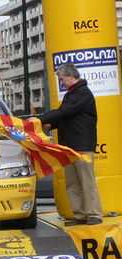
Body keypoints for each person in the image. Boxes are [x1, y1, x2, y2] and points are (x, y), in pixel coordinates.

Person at [37, 63, 102, 226]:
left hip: (82, 145)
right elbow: (66, 117)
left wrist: (41, 119)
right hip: (68, 146)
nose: (61, 82)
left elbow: (65, 112)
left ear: (70, 76)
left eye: (62, 79)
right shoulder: (71, 95)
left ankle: (93, 213)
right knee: (72, 182)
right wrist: (50, 125)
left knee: (86, 181)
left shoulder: (83, 93)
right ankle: (79, 214)